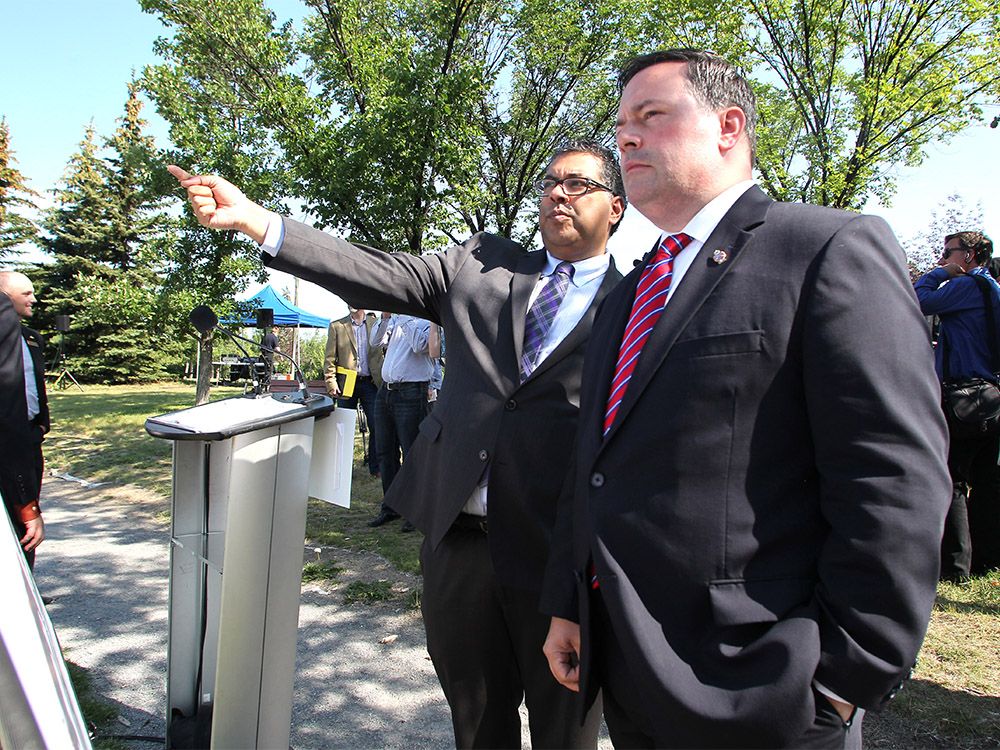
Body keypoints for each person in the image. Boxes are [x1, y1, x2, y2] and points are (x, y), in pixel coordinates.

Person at [540, 50, 951, 749]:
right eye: (621, 125)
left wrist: (844, 678)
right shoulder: (633, 290)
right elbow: (596, 466)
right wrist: (569, 603)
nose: (627, 138)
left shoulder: (826, 249)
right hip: (633, 671)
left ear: (728, 126)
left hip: (767, 692)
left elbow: (894, 479)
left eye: (651, 116)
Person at [167, 138, 624, 749]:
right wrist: (255, 219)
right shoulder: (479, 265)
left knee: (564, 732)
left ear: (615, 207)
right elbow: (370, 269)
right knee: (477, 725)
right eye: (550, 182)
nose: (558, 193)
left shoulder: (638, 302)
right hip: (459, 545)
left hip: (558, 560)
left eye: (578, 184)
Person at [915, 231, 1000, 579]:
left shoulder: (966, 287)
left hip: (963, 395)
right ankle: (988, 560)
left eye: (948, 252)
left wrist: (941, 275)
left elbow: (917, 300)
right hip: (991, 394)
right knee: (988, 480)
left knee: (951, 480)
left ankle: (955, 566)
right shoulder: (992, 288)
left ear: (969, 255)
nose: (942, 258)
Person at [366, 311, 434, 530]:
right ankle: (392, 506)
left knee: (412, 452)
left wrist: (403, 315)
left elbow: (421, 346)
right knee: (385, 452)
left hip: (412, 391)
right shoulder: (395, 320)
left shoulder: (426, 320)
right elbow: (374, 341)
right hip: (386, 391)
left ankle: (415, 511)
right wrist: (385, 318)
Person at [0, 271, 49, 569]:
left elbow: (36, 387)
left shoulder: (32, 338)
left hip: (30, 434)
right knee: (21, 513)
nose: (34, 299)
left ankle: (27, 583)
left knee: (28, 509)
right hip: (10, 437)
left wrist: (43, 423)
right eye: (26, 294)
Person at [324, 307, 384, 477]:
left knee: (376, 425)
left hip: (370, 383)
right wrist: (331, 382)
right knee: (343, 428)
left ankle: (376, 467)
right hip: (346, 383)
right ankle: (341, 470)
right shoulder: (337, 326)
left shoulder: (376, 323)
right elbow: (329, 359)